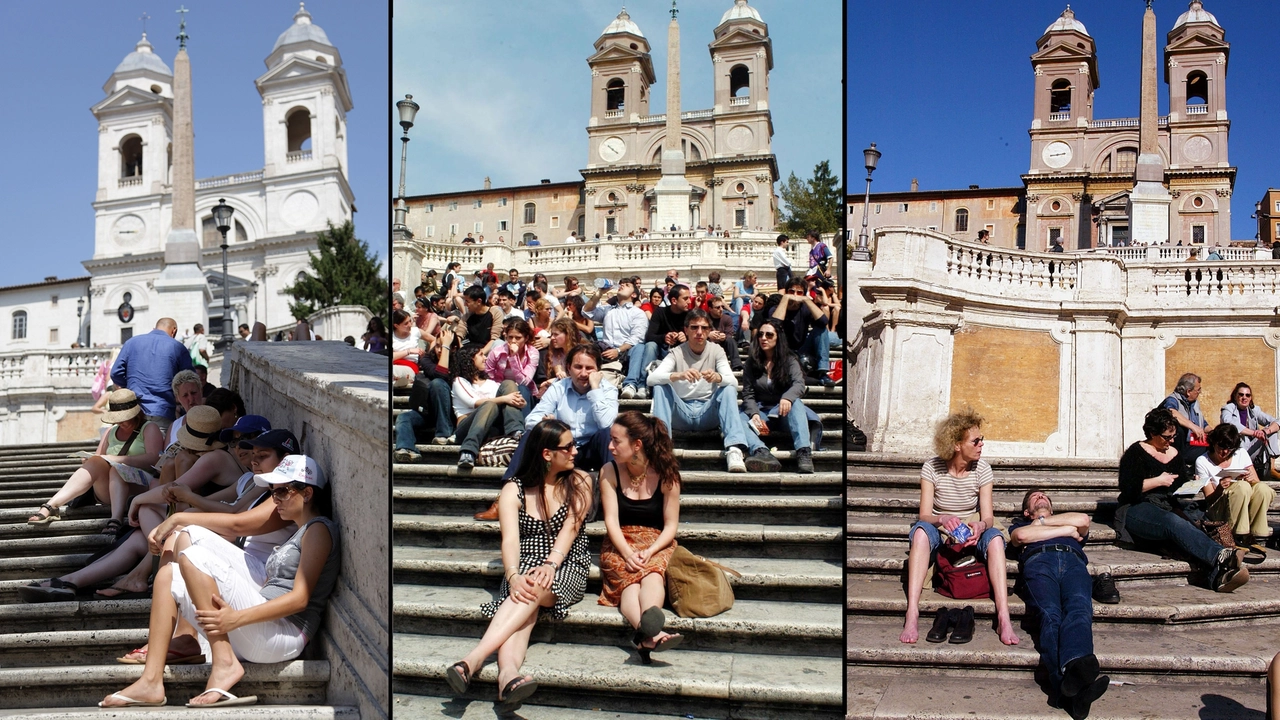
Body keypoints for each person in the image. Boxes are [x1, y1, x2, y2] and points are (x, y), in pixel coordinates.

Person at [98, 454, 338, 709]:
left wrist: (236, 618)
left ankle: (224, 662)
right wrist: (181, 519)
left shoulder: (318, 530)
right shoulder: (299, 533)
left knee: (194, 555)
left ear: (308, 493)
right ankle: (151, 680)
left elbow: (300, 598)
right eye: (272, 491)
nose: (275, 499)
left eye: (283, 492)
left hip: (284, 635)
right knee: (169, 572)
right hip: (260, 628)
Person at [446, 419, 592, 706]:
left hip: (566, 561)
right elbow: (510, 540)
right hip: (523, 562)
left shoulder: (581, 481)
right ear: (547, 454)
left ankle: (472, 659)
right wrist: (513, 575)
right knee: (525, 603)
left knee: (533, 588)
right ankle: (508, 677)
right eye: (569, 446)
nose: (576, 451)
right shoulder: (514, 489)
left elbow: (570, 530)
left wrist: (550, 564)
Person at [899, 410, 1018, 645]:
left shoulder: (982, 469)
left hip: (972, 530)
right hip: (940, 529)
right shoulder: (931, 468)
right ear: (956, 445)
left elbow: (989, 518)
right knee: (921, 533)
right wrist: (941, 519)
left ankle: (1004, 616)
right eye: (975, 441)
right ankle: (912, 611)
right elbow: (924, 514)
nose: (981, 444)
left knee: (995, 539)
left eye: (981, 439)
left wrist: (980, 525)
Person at [1114, 408, 1247, 593]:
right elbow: (1128, 488)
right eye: (1167, 437)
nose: (1171, 441)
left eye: (1173, 436)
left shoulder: (1175, 454)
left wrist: (1192, 486)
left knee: (1186, 525)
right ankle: (1221, 556)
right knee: (1172, 522)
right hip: (1138, 507)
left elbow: (1180, 489)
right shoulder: (1135, 452)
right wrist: (1158, 481)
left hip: (1168, 505)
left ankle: (1218, 575)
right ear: (1153, 433)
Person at [1009, 490, 1110, 720]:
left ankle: (1072, 674)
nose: (1040, 497)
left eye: (1044, 496)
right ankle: (1072, 689)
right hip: (1039, 562)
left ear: (1052, 509)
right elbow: (1022, 537)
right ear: (1026, 511)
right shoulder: (1018, 525)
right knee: (1050, 615)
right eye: (1034, 497)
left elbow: (1083, 521)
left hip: (1073, 562)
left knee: (1080, 610)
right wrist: (1065, 530)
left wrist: (1042, 523)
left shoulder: (1059, 518)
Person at [599, 411, 683, 663]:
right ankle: (651, 633)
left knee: (653, 575)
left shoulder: (667, 474)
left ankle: (645, 635)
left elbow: (671, 526)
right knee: (629, 582)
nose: (610, 446)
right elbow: (611, 520)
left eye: (616, 441)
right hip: (619, 541)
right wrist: (626, 552)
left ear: (637, 445)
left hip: (656, 541)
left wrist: (650, 551)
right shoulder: (609, 470)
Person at [27, 388, 163, 534]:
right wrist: (88, 460)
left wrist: (118, 460)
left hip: (141, 485)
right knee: (96, 462)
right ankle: (51, 505)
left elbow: (154, 458)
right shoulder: (111, 431)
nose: (120, 421)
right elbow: (100, 458)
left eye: (124, 417)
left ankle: (116, 519)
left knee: (117, 469)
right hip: (109, 488)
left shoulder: (149, 428)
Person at [648, 310, 753, 474]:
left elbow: (732, 381)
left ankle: (734, 449)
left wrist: (718, 377)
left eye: (704, 328)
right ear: (686, 330)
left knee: (728, 388)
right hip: (681, 412)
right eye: (694, 327)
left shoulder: (717, 350)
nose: (699, 332)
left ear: (709, 331)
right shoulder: (676, 352)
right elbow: (651, 379)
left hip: (707, 412)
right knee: (661, 386)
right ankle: (662, 448)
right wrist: (678, 375)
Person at [740, 319, 817, 474]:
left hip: (784, 413)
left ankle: (804, 452)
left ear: (778, 338)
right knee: (738, 417)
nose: (763, 338)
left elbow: (799, 384)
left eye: (769, 335)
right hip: (762, 412)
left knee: (796, 403)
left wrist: (787, 397)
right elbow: (748, 393)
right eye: (761, 334)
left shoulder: (789, 360)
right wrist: (754, 413)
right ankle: (761, 451)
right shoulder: (751, 362)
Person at [1193, 423, 1274, 558]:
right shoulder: (1202, 461)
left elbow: (1257, 483)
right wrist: (1220, 487)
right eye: (1221, 447)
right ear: (1213, 443)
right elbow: (1209, 499)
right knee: (1241, 487)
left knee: (1262, 489)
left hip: (1243, 500)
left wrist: (1249, 478)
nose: (1225, 452)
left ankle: (1252, 535)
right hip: (1219, 507)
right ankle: (1236, 535)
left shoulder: (1240, 453)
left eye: (1229, 449)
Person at [111, 318, 195, 435]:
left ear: (154, 328)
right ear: (174, 331)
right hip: (162, 412)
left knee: (134, 452)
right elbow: (190, 380)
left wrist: (130, 387)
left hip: (134, 413)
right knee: (158, 452)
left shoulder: (131, 343)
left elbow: (115, 373)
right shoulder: (178, 347)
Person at [452, 345, 528, 471]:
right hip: (466, 429)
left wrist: (520, 402)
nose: (485, 358)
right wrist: (504, 399)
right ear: (470, 359)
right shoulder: (459, 381)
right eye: (481, 355)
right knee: (489, 404)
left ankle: (516, 431)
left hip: (491, 427)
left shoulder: (492, 384)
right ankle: (468, 451)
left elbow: (508, 398)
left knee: (508, 384)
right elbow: (474, 402)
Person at [1219, 382, 1280, 479]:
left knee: (1271, 430)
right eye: (1241, 394)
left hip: (1251, 449)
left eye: (1247, 395)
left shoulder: (1254, 410)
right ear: (1235, 396)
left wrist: (1265, 431)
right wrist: (1255, 433)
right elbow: (1229, 423)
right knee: (1263, 432)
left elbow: (1277, 421)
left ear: (1250, 397)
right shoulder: (1228, 408)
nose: (1244, 397)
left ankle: (1271, 467)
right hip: (1236, 448)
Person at [485, 318, 540, 408]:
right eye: (510, 337)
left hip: (524, 390)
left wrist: (513, 357)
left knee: (522, 389)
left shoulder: (532, 353)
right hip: (501, 390)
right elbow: (488, 376)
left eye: (518, 338)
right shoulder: (496, 352)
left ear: (526, 338)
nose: (513, 341)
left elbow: (524, 382)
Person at [1162, 373, 1209, 465]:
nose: (1200, 392)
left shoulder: (1194, 403)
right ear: (1188, 392)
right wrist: (1192, 426)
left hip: (1196, 443)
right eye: (1198, 389)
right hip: (1182, 446)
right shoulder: (1173, 400)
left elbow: (1203, 423)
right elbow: (1171, 411)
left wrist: (1213, 431)